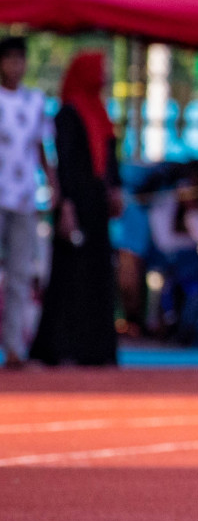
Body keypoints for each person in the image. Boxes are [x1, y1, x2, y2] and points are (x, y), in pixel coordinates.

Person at [30, 51, 120, 366]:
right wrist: (65, 204)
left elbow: (109, 159)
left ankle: (94, 349)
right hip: (75, 202)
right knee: (69, 274)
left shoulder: (101, 114)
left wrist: (114, 190)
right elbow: (66, 163)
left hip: (97, 206)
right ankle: (58, 346)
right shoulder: (69, 114)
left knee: (97, 274)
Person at [0, 36, 54, 367]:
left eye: (21, 60)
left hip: (23, 198)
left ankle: (14, 348)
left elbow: (43, 148)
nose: (15, 66)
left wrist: (52, 183)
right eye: (9, 60)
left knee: (20, 274)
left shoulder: (35, 102)